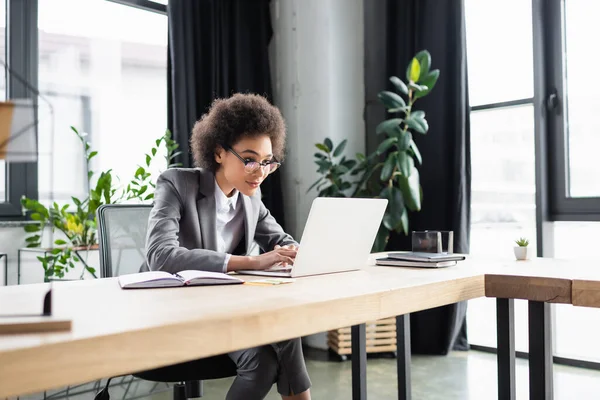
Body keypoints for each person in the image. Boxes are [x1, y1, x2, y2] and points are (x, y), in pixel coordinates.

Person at [144, 93, 312, 400]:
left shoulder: (251, 200)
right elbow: (161, 256)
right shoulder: (177, 185)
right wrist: (250, 262)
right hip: (174, 311)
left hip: (226, 310)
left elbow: (282, 242)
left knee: (270, 351)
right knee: (281, 335)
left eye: (266, 162)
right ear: (219, 152)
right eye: (249, 160)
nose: (259, 171)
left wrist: (306, 254)